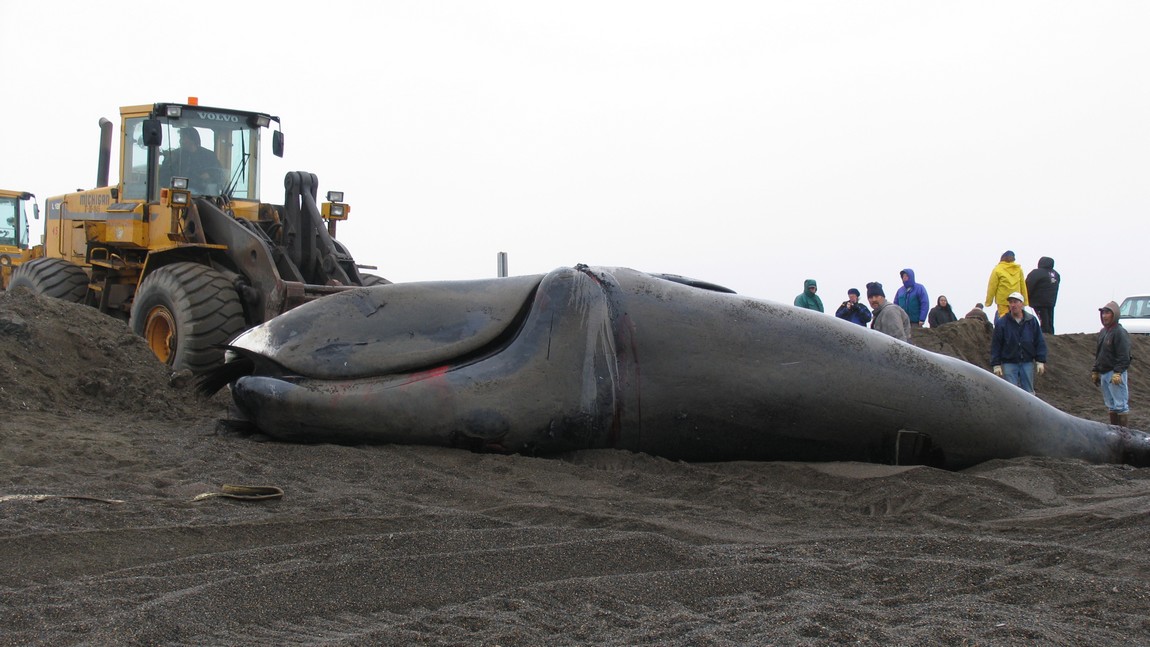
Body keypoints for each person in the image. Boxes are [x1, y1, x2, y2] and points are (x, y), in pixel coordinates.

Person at [990, 292, 1047, 394]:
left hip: (1027, 362)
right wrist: (996, 364)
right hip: (1009, 362)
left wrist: (1040, 361)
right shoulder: (1002, 323)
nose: (1013, 305)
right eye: (1011, 302)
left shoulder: (1031, 321)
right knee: (1011, 393)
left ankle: (1030, 409)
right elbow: (996, 345)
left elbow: (1039, 340)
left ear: (1022, 304)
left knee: (1028, 392)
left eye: (1015, 302)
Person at [1092, 301, 1131, 427]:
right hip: (1104, 373)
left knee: (1120, 405)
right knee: (1111, 405)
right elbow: (1099, 353)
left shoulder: (1119, 332)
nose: (1104, 316)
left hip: (1114, 373)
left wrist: (1118, 372)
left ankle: (1123, 434)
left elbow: (1124, 355)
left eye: (1107, 313)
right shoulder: (1103, 332)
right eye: (1103, 313)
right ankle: (1115, 431)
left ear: (1114, 315)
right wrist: (1096, 370)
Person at [159, 128, 222, 193]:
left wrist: (209, 175)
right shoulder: (174, 155)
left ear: (192, 139)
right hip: (178, 193)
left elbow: (219, 173)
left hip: (204, 194)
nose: (181, 141)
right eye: (181, 138)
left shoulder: (209, 156)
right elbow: (163, 176)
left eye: (183, 138)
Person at [985, 250, 1028, 319]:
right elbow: (1023, 286)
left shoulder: (997, 269)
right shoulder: (1018, 269)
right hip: (1016, 299)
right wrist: (1025, 301)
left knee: (1004, 319)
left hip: (1003, 300)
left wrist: (988, 302)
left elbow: (992, 287)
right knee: (1017, 318)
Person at [1025, 256, 1061, 335]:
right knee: (1049, 321)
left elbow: (1028, 285)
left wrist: (1026, 297)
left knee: (1043, 321)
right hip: (1051, 301)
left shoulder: (1036, 273)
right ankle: (1051, 336)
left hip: (1038, 301)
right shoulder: (1056, 274)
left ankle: (1045, 337)